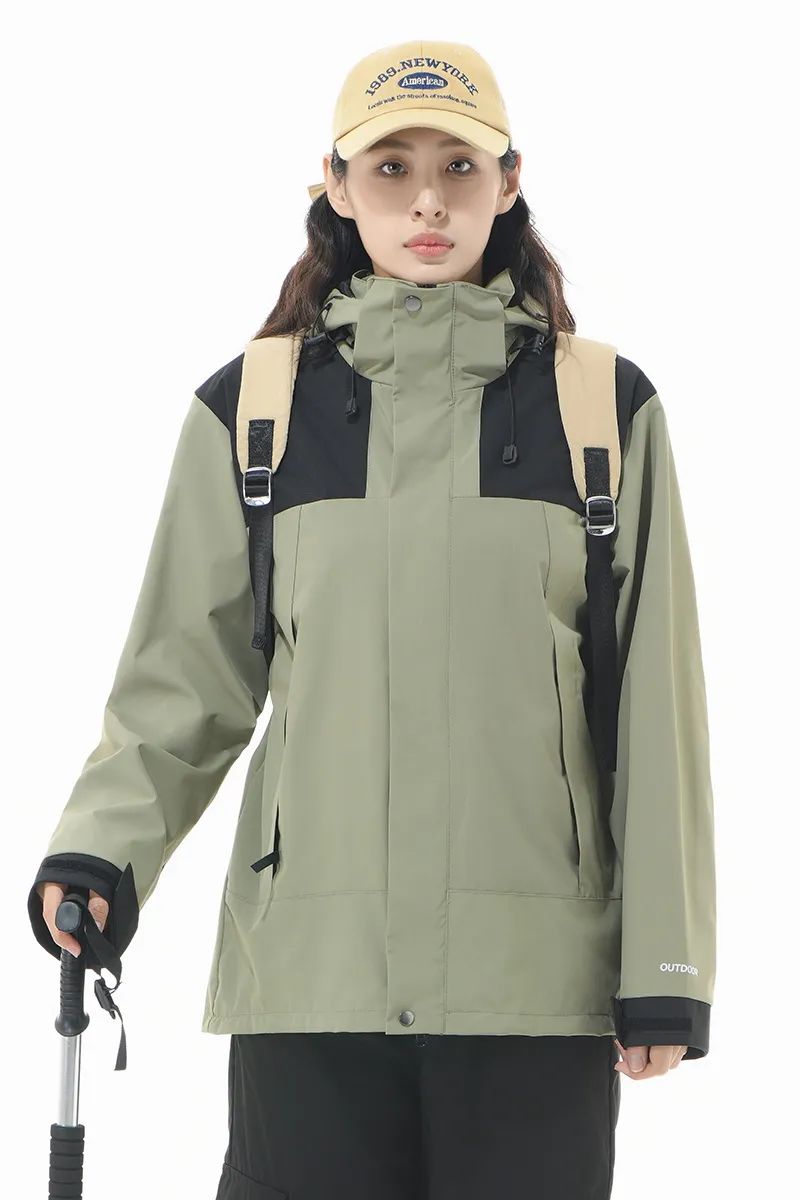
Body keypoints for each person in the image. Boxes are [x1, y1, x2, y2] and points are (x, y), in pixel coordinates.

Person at [27, 38, 717, 1200]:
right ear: (336, 188)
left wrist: (665, 968)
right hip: (311, 977)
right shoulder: (253, 411)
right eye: (391, 167)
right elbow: (182, 685)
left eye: (459, 166)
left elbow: (655, 710)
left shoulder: (601, 410)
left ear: (508, 183)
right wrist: (100, 852)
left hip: (531, 985)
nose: (428, 200)